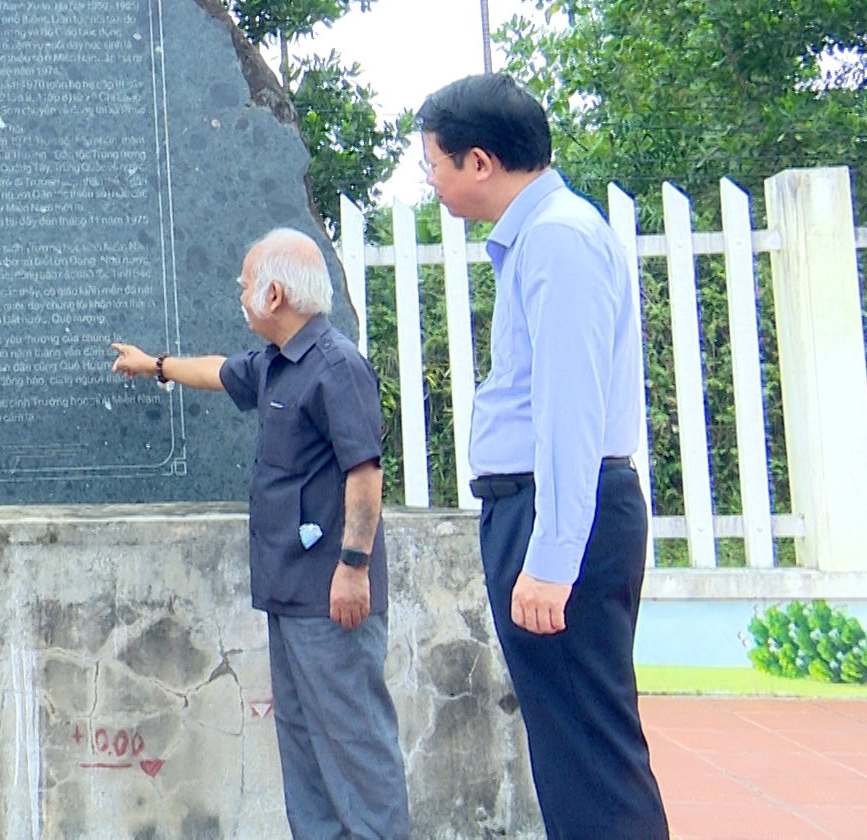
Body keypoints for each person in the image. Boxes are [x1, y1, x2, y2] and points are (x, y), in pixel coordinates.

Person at [420, 73, 669, 839]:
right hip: (541, 508)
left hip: (557, 513)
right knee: (575, 756)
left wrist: (555, 555)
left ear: (481, 162)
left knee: (590, 759)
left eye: (433, 163)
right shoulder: (545, 236)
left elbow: (571, 409)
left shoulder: (558, 238)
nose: (430, 182)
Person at [111, 228, 410, 840]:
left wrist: (353, 567)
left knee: (355, 749)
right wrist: (157, 366)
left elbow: (365, 473)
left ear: (274, 293)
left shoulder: (335, 367)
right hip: (290, 593)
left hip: (332, 598)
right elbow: (221, 372)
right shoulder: (279, 363)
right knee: (303, 747)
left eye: (246, 285)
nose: (240, 295)